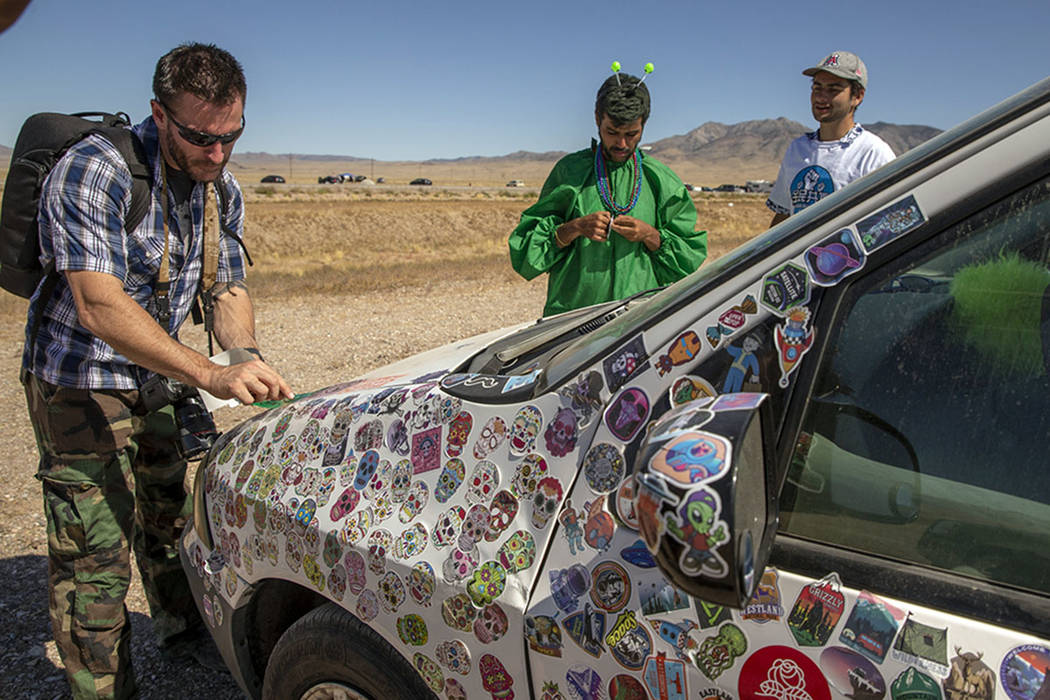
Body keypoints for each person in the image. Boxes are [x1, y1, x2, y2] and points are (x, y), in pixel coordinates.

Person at [21, 43, 292, 699]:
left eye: (232, 137)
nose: (218, 154)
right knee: (94, 560)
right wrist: (208, 372)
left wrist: (243, 358)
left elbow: (225, 288)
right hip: (79, 382)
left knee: (171, 518)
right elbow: (99, 305)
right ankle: (104, 688)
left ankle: (181, 628)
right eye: (202, 137)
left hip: (158, 377)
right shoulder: (93, 171)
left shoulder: (217, 187)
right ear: (159, 114)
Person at [509, 72, 707, 316]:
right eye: (612, 132)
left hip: (638, 319)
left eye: (631, 134)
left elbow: (688, 259)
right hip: (573, 318)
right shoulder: (569, 173)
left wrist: (650, 235)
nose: (622, 143)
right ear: (597, 119)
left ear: (644, 124)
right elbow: (527, 252)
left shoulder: (662, 181)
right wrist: (575, 228)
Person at [767, 51, 896, 227]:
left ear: (857, 96)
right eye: (817, 87)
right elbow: (783, 215)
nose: (821, 97)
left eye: (833, 90)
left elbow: (888, 223)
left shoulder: (872, 153)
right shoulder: (798, 149)